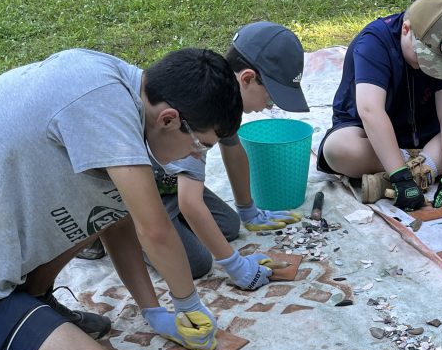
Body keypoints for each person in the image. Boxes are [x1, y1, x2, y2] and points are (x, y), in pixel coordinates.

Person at [0, 46, 243, 350]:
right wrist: (188, 304)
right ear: (169, 119)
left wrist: (154, 312)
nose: (196, 157)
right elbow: (154, 229)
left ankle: (31, 301)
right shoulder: (104, 109)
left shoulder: (121, 88)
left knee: (111, 205)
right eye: (201, 145)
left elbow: (116, 217)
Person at [83, 22, 311, 290]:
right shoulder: (201, 111)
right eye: (270, 99)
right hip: (138, 188)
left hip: (164, 184)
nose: (267, 108)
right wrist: (235, 265)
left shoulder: (223, 100)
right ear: (247, 79)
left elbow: (233, 148)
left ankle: (158, 219)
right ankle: (111, 232)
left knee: (228, 225)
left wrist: (248, 210)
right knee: (197, 263)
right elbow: (190, 203)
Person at [317, 0, 442, 212]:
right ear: (406, 29)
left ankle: (400, 177)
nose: (430, 66)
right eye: (426, 56)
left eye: (441, 62)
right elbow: (370, 111)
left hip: (426, 132)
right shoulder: (373, 42)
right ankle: (428, 169)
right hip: (373, 137)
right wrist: (400, 176)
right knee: (337, 148)